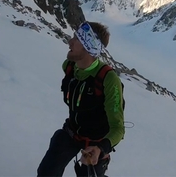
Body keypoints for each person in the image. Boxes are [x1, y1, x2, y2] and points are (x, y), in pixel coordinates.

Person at [37, 21, 125, 177]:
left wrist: (101, 148)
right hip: (71, 133)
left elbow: (118, 128)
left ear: (89, 47)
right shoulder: (70, 66)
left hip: (96, 144)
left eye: (77, 39)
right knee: (46, 172)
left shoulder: (108, 79)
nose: (69, 42)